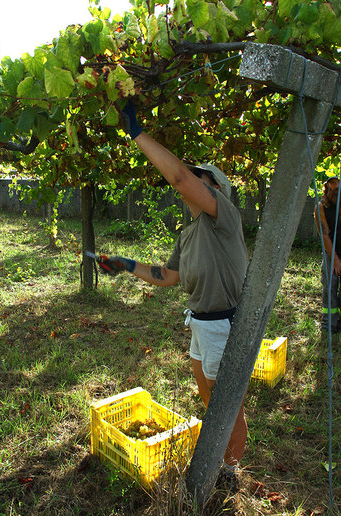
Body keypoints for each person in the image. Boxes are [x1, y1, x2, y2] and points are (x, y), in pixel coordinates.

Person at [99, 101, 249, 480]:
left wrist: (136, 132)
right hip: (200, 323)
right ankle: (221, 462)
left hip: (223, 325)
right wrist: (126, 264)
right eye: (195, 176)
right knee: (209, 400)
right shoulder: (189, 232)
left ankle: (230, 472)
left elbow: (180, 178)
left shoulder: (222, 216)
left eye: (203, 179)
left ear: (216, 190)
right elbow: (168, 276)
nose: (192, 182)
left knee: (226, 407)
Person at [314, 176, 341, 333]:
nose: (335, 193)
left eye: (338, 189)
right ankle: (329, 325)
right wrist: (336, 260)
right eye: (332, 190)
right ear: (327, 191)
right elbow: (325, 235)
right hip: (331, 253)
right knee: (329, 287)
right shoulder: (321, 208)